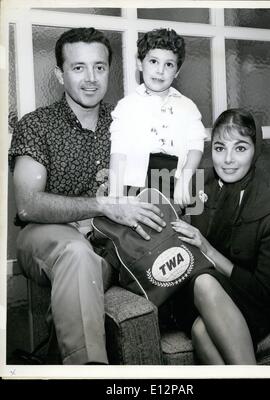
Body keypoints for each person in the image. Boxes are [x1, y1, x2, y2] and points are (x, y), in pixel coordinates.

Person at [8, 27, 166, 365]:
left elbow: (154, 185)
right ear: (60, 74)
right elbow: (28, 203)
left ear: (109, 70)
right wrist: (100, 205)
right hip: (43, 237)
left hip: (108, 244)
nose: (91, 78)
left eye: (99, 67)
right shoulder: (36, 125)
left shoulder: (127, 122)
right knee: (76, 253)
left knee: (86, 268)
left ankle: (56, 360)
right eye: (78, 67)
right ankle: (90, 370)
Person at [171, 109, 270, 364]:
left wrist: (207, 249)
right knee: (200, 330)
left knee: (204, 284)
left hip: (259, 302)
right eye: (220, 148)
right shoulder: (203, 182)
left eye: (241, 148)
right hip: (212, 294)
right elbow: (167, 209)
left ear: (255, 150)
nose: (228, 160)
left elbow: (264, 291)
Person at [108, 28, 207, 206]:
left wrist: (184, 180)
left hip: (174, 184)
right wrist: (115, 199)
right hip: (135, 186)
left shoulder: (188, 107)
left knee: (174, 228)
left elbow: (196, 145)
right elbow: (118, 154)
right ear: (140, 63)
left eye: (169, 64)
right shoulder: (126, 106)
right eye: (153, 61)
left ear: (177, 71)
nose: (160, 70)